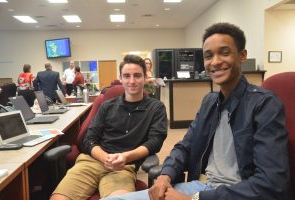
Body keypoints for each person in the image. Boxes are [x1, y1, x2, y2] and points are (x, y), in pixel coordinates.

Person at [103, 22, 291, 200]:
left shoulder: (265, 105)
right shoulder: (210, 102)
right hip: (199, 187)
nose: (215, 62)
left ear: (242, 55)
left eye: (224, 53)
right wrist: (165, 175)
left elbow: (271, 184)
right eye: (209, 56)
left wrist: (195, 198)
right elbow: (185, 146)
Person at [50, 54, 168, 200]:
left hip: (124, 167)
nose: (132, 81)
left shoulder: (156, 108)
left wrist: (125, 157)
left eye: (137, 76)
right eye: (127, 76)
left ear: (145, 77)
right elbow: (89, 139)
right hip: (91, 162)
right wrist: (105, 158)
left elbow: (155, 142)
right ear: (121, 78)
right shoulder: (107, 106)